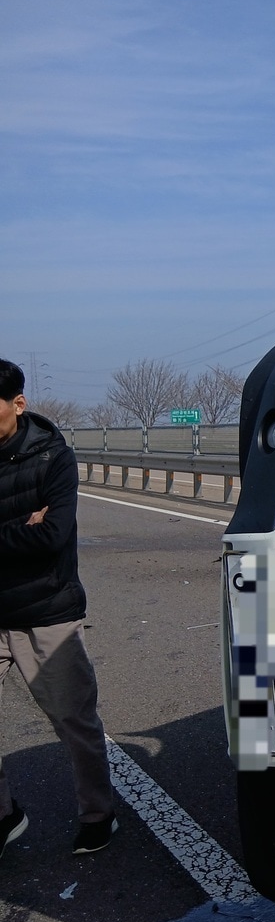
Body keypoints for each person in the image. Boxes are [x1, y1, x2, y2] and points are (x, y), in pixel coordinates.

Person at [0, 358, 117, 858]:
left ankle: (97, 813)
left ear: (18, 404)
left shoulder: (52, 457)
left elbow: (51, 535)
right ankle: (5, 816)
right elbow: (30, 533)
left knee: (73, 719)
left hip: (45, 608)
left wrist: (35, 529)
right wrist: (17, 530)